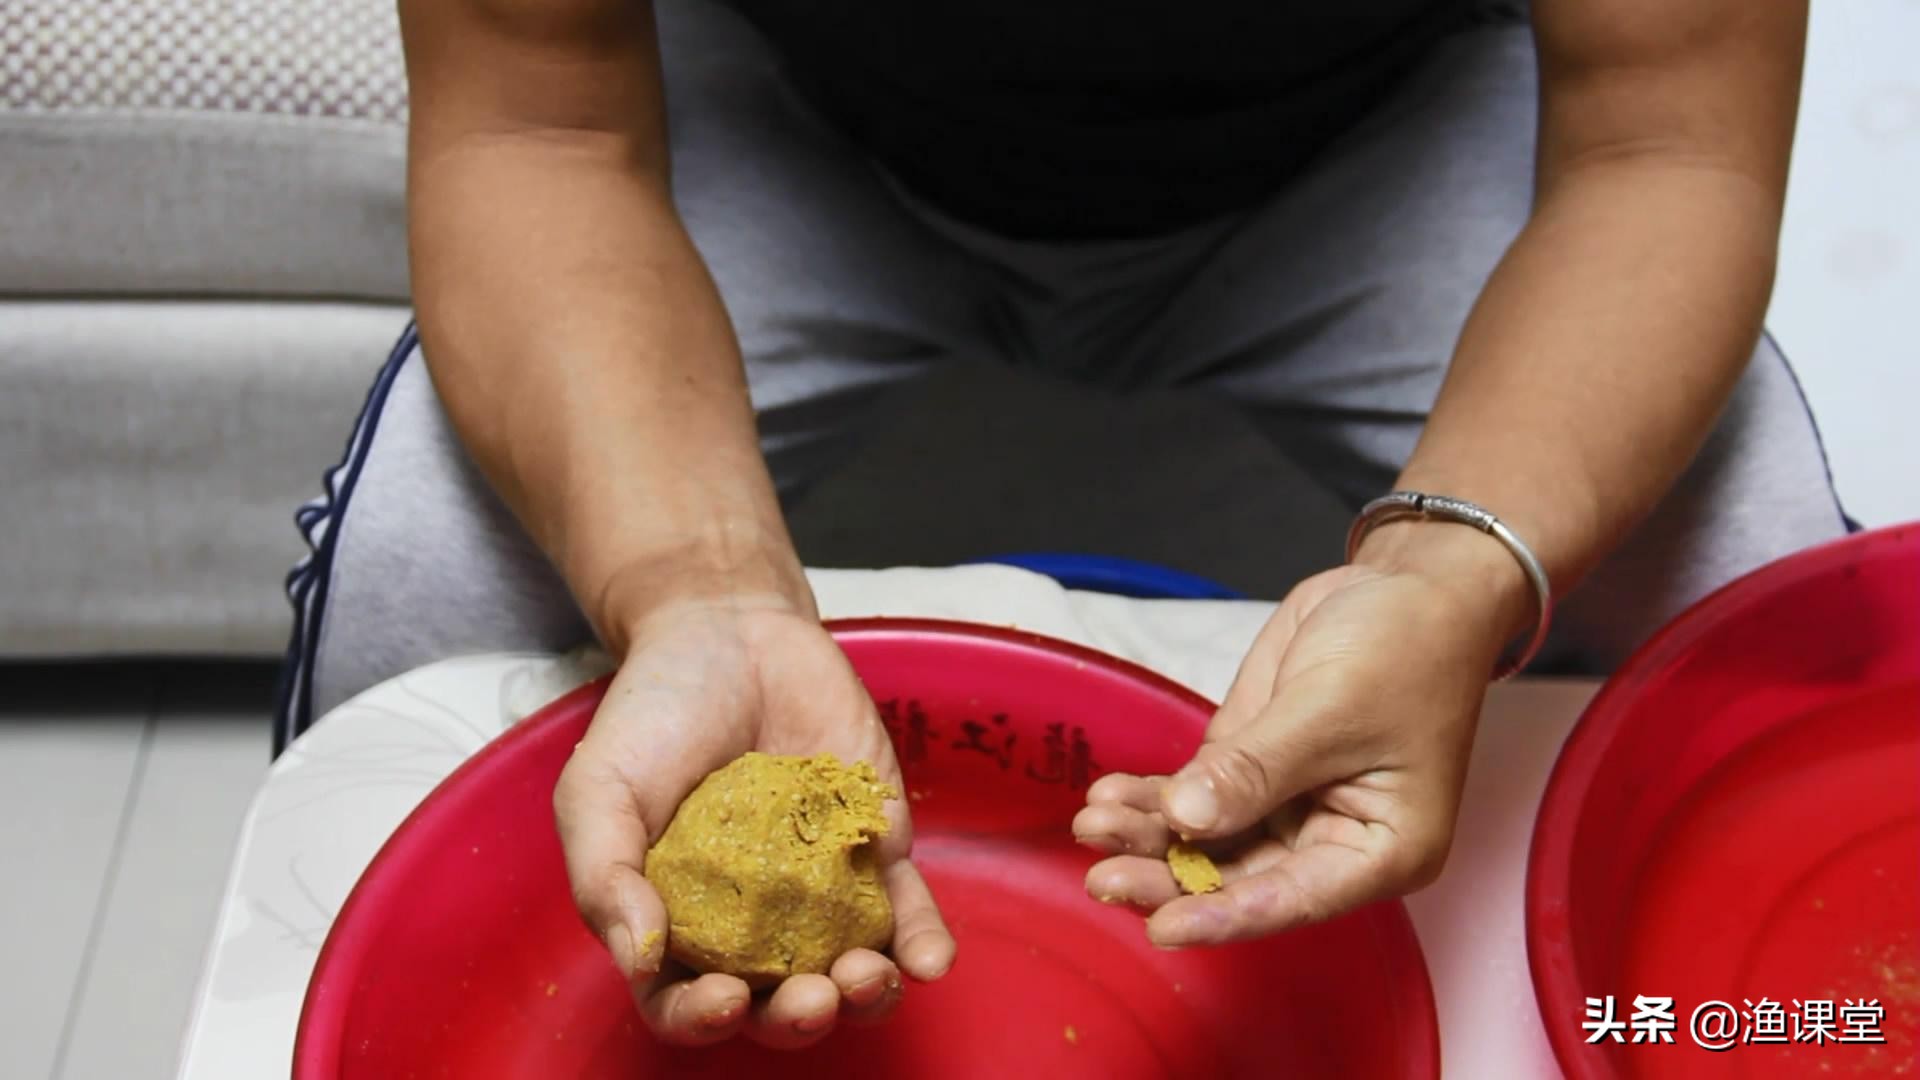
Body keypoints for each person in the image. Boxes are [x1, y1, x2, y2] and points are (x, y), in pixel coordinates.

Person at [276, 0, 1848, 1050]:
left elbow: (1668, 147)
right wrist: (695, 584)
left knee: (1757, 586)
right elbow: (534, 133)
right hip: (801, 136)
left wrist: (1455, 561)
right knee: (412, 566)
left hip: (1376, 146)